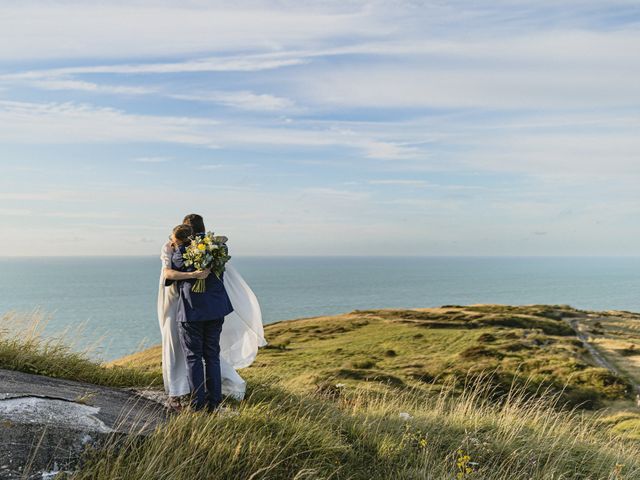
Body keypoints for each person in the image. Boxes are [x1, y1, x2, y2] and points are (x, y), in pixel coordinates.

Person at [157, 214, 266, 411]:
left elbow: (169, 274)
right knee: (212, 355)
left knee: (193, 357)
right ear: (203, 228)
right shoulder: (219, 249)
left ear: (186, 231)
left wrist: (183, 258)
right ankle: (214, 402)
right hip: (216, 310)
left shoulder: (180, 254)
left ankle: (198, 404)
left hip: (192, 312)